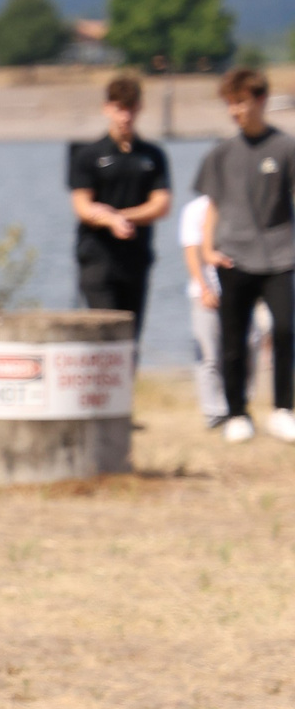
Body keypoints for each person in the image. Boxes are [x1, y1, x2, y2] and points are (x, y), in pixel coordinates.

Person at [194, 67, 295, 444]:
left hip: (281, 254)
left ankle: (283, 410)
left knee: (285, 329)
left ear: (261, 101)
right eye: (230, 104)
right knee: (233, 338)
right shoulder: (221, 153)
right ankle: (237, 413)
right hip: (233, 255)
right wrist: (207, 251)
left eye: (241, 102)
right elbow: (212, 206)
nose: (236, 110)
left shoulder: (286, 147)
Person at [68, 75, 170, 338]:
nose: (125, 116)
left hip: (136, 258)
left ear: (139, 108)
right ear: (107, 108)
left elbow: (161, 204)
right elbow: (82, 206)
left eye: (131, 109)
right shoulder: (88, 155)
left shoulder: (152, 155)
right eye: (119, 109)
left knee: (130, 339)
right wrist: (110, 222)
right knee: (105, 335)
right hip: (98, 259)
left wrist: (121, 216)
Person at [182, 192, 271, 430]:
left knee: (250, 344)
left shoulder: (244, 205)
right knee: (210, 354)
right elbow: (192, 251)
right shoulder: (195, 209)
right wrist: (203, 287)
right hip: (208, 290)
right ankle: (214, 413)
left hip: (241, 290)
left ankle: (240, 406)